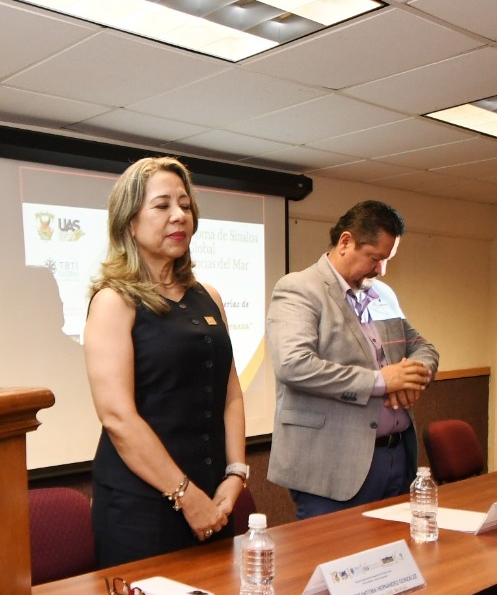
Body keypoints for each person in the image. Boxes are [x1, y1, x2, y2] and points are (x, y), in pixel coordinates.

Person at [84, 157, 247, 568]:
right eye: (162, 205)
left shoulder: (208, 295)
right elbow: (118, 418)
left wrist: (235, 474)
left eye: (186, 205)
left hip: (213, 497)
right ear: (130, 223)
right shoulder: (113, 301)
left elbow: (230, 395)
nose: (179, 215)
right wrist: (186, 497)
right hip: (143, 507)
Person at [267, 200, 438, 519]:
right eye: (375, 258)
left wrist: (414, 374)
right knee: (335, 563)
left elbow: (423, 347)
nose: (381, 270)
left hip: (396, 457)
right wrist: (382, 381)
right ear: (346, 242)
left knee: (394, 561)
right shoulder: (299, 290)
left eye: (387, 260)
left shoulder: (382, 294)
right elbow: (295, 365)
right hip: (332, 466)